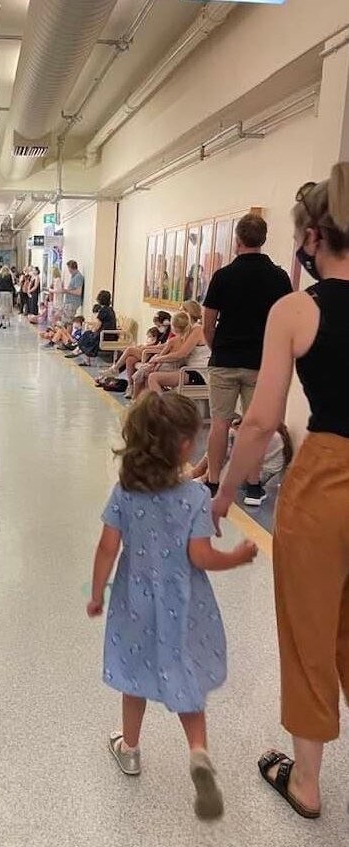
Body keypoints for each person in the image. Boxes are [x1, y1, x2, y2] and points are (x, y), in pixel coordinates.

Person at [213, 163, 349, 820]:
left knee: (308, 629)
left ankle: (306, 782)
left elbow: (262, 418)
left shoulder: (297, 308)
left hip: (324, 479)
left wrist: (223, 492)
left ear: (312, 238)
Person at [87, 391, 257, 820]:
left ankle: (129, 748)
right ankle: (198, 751)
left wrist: (96, 593)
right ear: (184, 445)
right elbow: (201, 557)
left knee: (134, 674)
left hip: (134, 601)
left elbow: (107, 547)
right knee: (185, 674)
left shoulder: (125, 491)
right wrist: (236, 558)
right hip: (185, 602)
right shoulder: (195, 497)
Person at [203, 213, 292, 505]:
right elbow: (284, 323)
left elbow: (208, 323)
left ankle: (213, 482)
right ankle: (253, 487)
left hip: (225, 359)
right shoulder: (279, 277)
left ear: (237, 240)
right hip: (260, 363)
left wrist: (219, 348)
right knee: (256, 426)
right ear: (263, 240)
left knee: (219, 423)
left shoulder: (223, 276)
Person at [191, 420, 292, 487]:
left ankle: (205, 477)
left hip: (260, 472)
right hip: (248, 466)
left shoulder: (272, 435)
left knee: (224, 443)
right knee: (220, 444)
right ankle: (201, 472)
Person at [147, 300, 209, 393]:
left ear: (188, 313)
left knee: (153, 378)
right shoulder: (189, 329)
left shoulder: (197, 329)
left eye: (180, 311)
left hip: (198, 372)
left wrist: (158, 359)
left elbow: (182, 354)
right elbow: (171, 346)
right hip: (186, 368)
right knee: (149, 371)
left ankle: (160, 406)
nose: (178, 313)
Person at [130, 311, 193, 401]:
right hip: (177, 367)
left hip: (167, 366)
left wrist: (154, 365)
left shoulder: (172, 341)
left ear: (173, 327)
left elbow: (161, 356)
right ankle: (144, 399)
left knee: (141, 373)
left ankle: (135, 398)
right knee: (146, 372)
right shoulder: (187, 340)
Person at [65, 290, 116, 365]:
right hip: (111, 335)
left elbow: (97, 326)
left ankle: (79, 352)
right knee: (87, 334)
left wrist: (92, 330)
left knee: (86, 335)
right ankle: (79, 351)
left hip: (104, 336)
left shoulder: (103, 310)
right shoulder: (110, 309)